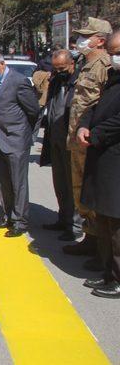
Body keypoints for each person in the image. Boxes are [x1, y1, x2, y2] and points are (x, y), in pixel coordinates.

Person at [64, 17, 112, 261]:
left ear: (100, 40)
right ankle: (89, 238)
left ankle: (102, 249)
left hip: (91, 141)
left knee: (93, 195)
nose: (81, 40)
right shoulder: (85, 63)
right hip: (77, 139)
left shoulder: (104, 65)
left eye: (87, 36)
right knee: (79, 192)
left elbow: (102, 106)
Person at [77, 31, 120, 299]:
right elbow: (95, 106)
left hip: (114, 158)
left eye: (117, 51)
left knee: (116, 225)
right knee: (104, 218)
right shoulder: (114, 77)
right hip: (102, 157)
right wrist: (84, 124)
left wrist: (97, 133)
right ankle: (108, 272)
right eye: (113, 52)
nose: (114, 57)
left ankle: (116, 278)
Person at [0, 52, 41, 237]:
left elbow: (34, 111)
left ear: (2, 64)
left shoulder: (19, 81)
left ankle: (20, 221)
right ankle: (7, 215)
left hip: (16, 140)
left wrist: (26, 136)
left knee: (18, 182)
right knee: (3, 182)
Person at [39, 50, 85, 242]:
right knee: (59, 183)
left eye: (62, 68)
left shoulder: (79, 82)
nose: (59, 71)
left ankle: (75, 225)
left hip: (70, 141)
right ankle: (63, 218)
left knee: (71, 184)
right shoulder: (57, 81)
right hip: (55, 139)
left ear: (72, 64)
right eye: (56, 68)